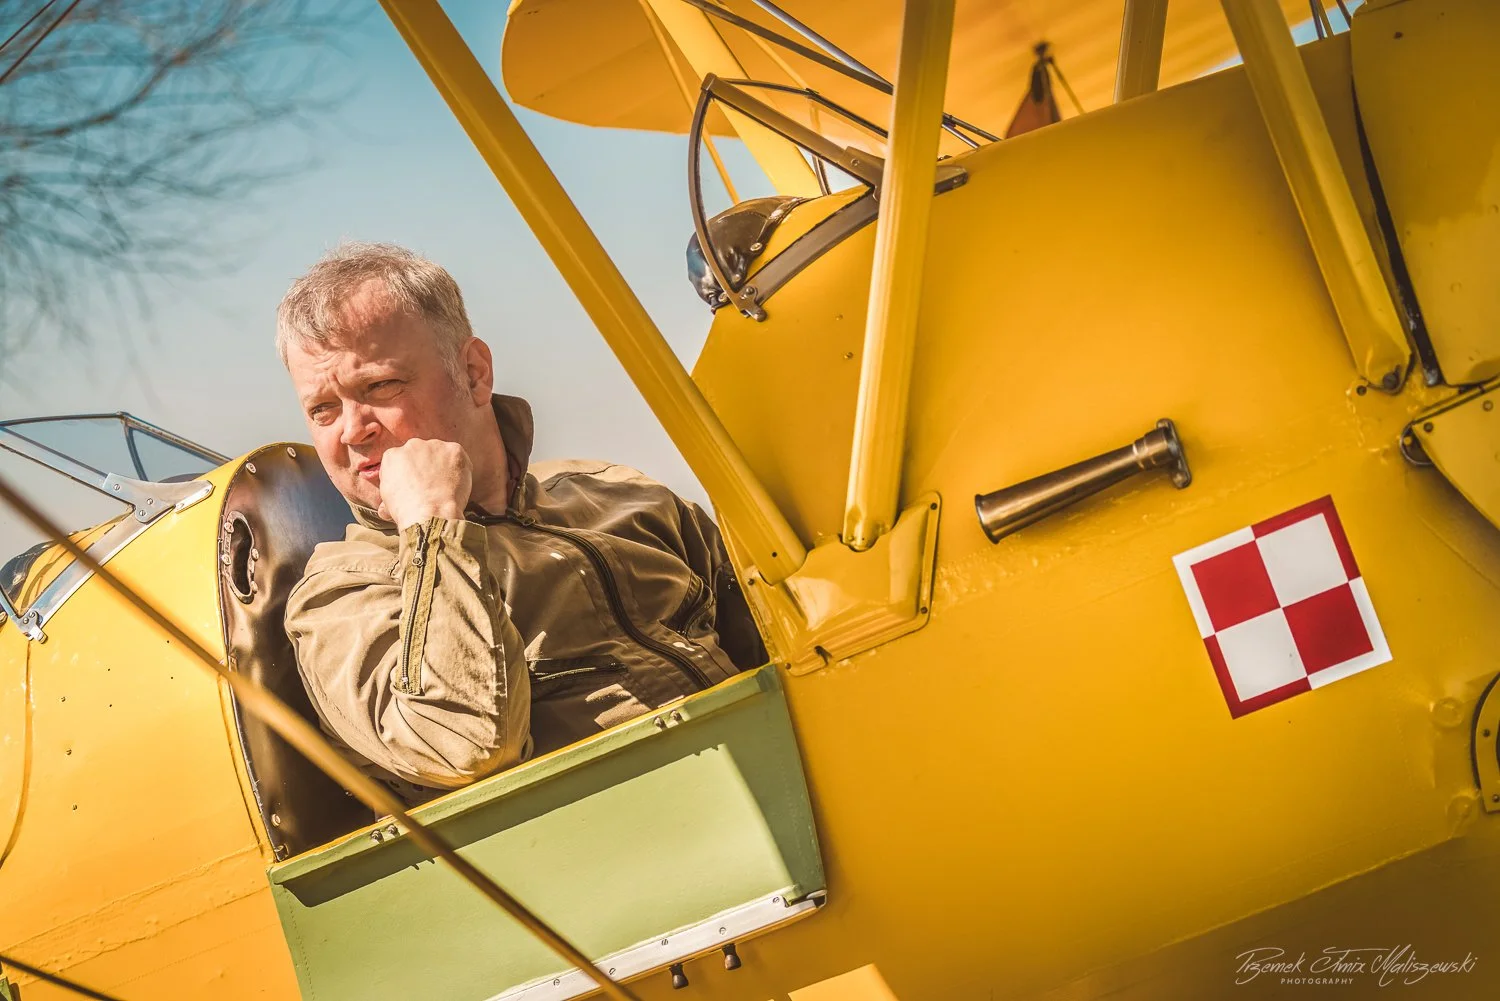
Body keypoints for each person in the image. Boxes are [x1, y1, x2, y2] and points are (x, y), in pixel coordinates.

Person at [279, 242, 763, 802]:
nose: (351, 430)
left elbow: (777, 637)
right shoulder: (341, 596)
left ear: (474, 372)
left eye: (380, 387)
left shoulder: (618, 492)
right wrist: (434, 524)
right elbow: (465, 747)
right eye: (322, 410)